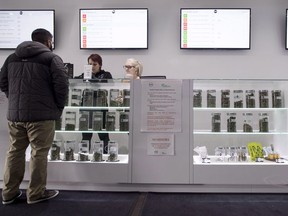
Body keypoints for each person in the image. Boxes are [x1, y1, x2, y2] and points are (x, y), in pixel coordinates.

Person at [0, 28, 69, 205]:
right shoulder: (52, 58)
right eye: (51, 41)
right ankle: (35, 194)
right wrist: (58, 107)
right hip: (42, 116)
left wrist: (14, 99)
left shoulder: (12, 58)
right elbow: (62, 86)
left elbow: (3, 82)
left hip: (16, 116)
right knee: (39, 154)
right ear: (47, 41)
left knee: (15, 152)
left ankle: (8, 193)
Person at [74, 54, 112, 153]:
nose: (92, 66)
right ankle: (84, 156)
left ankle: (107, 156)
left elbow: (105, 85)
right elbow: (73, 81)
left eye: (94, 64)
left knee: (104, 136)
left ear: (100, 65)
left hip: (101, 110)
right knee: (86, 137)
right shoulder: (85, 75)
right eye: (90, 64)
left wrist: (91, 78)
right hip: (87, 110)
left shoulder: (106, 75)